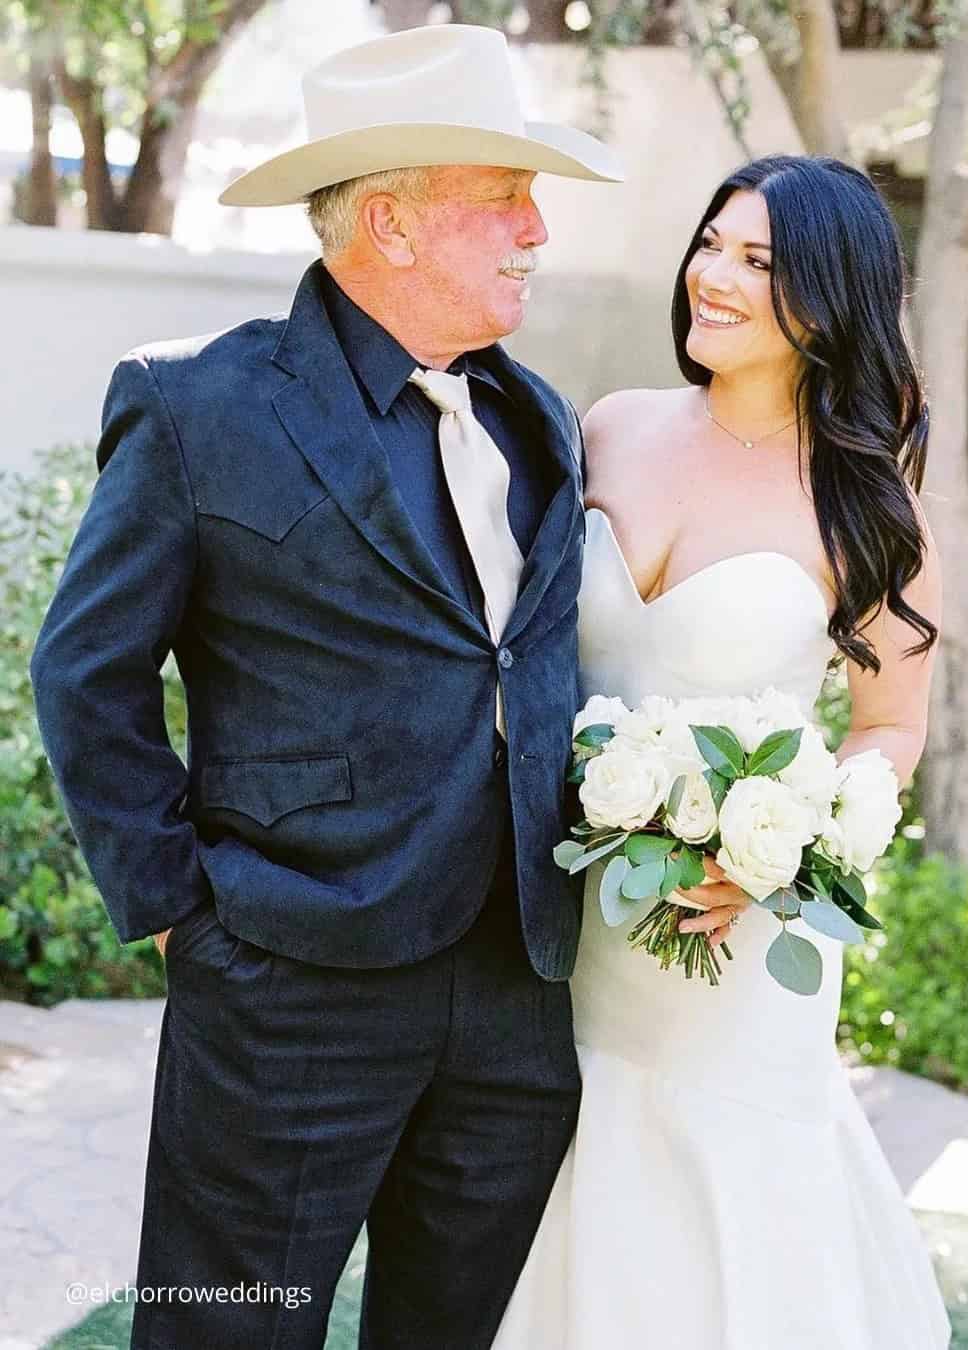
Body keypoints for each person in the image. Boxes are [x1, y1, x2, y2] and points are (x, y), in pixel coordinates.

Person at [31, 24, 713, 1350]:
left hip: (515, 1007)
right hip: (288, 986)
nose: (534, 228)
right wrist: (183, 914)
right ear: (390, 223)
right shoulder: (196, 408)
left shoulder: (539, 426)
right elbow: (84, 671)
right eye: (502, 195)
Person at [493, 155, 951, 1348]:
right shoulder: (609, 428)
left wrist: (781, 864)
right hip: (568, 917)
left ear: (827, 296)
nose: (715, 276)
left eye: (758, 260)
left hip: (737, 939)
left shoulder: (867, 509)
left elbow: (889, 725)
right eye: (711, 243)